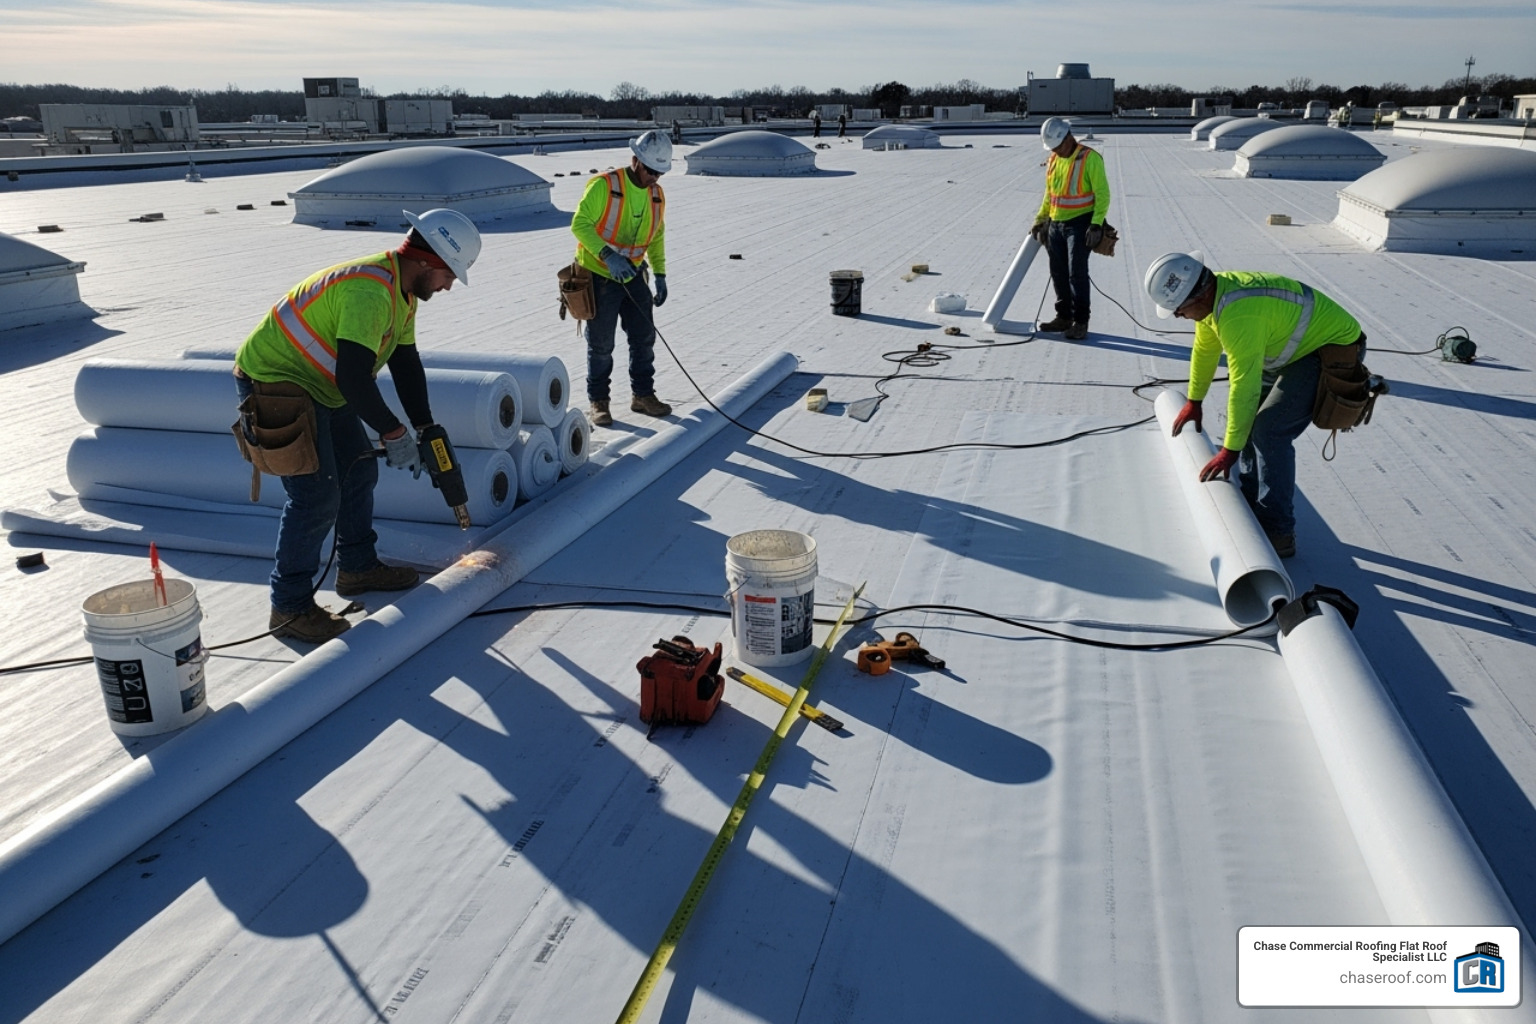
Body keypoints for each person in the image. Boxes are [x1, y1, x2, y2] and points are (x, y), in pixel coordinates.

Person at [233, 208, 480, 642]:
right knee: (316, 496)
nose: (449, 286)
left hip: (322, 385)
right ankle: (288, 608)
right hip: (277, 383)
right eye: (449, 275)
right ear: (426, 261)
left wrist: (423, 427)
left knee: (359, 470)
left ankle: (357, 566)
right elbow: (353, 376)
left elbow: (405, 364)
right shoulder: (370, 291)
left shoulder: (401, 290)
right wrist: (392, 430)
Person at [1144, 251, 1366, 559]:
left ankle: (1279, 531)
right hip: (1290, 346)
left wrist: (1229, 451)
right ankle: (1250, 500)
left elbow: (1244, 388)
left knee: (1269, 430)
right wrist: (1194, 400)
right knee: (1247, 424)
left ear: (1198, 294)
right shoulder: (1213, 300)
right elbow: (1205, 349)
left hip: (1329, 348)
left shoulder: (1238, 316)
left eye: (1178, 310)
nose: (1178, 316)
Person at [571, 130, 673, 427]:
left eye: (660, 173)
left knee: (644, 337)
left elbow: (657, 235)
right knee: (601, 344)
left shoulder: (656, 194)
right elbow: (579, 224)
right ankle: (598, 402)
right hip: (599, 275)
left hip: (634, 275)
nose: (654, 177)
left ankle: (643, 395)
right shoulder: (605, 186)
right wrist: (608, 255)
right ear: (635, 161)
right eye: (650, 170)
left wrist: (661, 273)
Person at [1030, 116, 1111, 341]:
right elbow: (1050, 194)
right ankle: (1063, 317)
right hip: (1055, 224)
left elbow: (1102, 193)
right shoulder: (1053, 160)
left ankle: (1080, 322)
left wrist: (1096, 224)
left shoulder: (1089, 158)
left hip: (1080, 223)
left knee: (1077, 274)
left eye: (1057, 145)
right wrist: (1040, 220)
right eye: (1052, 147)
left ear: (1068, 137)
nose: (1055, 150)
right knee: (1058, 273)